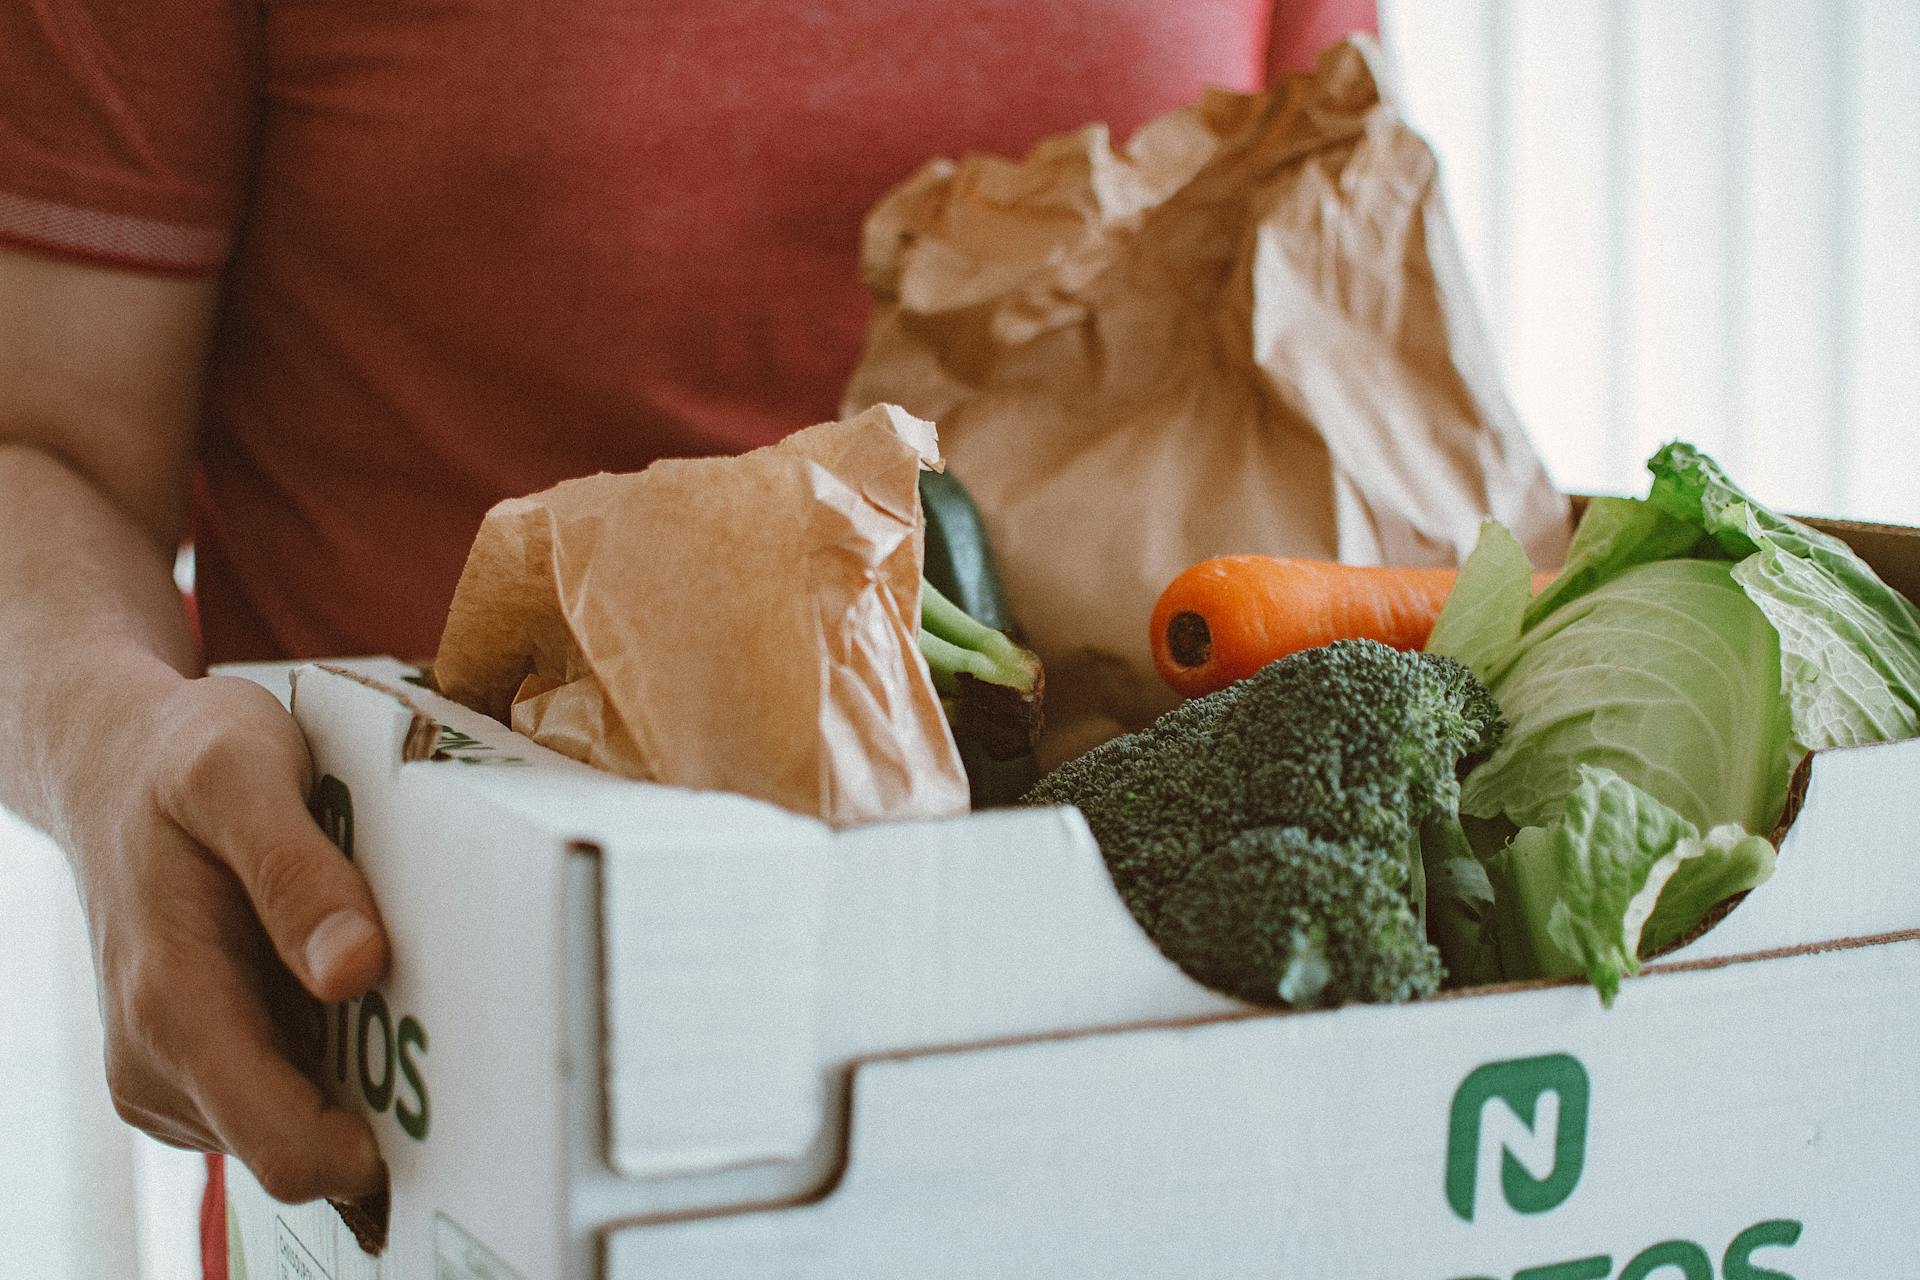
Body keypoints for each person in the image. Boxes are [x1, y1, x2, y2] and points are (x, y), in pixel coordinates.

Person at [0, 0, 1376, 1270]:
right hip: (456, 1098)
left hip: (1125, 1128)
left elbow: (1337, 302)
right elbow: (40, 443)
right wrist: (109, 745)